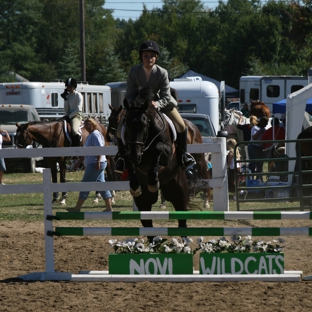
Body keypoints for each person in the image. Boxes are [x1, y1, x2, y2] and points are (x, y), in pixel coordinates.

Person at [114, 40, 196, 173]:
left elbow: (167, 96)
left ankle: (183, 155)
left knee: (181, 125)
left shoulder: (162, 72)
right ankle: (122, 158)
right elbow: (129, 94)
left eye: (152, 56)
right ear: (141, 57)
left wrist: (157, 104)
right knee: (119, 130)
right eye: (146, 55)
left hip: (160, 103)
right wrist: (136, 104)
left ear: (156, 58)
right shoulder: (134, 72)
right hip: (139, 105)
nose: (149, 59)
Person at [66, 118, 113, 212]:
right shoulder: (90, 135)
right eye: (85, 124)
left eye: (89, 124)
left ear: (93, 124)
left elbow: (99, 149)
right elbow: (87, 152)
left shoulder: (95, 134)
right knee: (101, 185)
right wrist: (78, 163)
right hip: (93, 163)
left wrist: (98, 162)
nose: (87, 126)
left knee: (85, 184)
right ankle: (109, 208)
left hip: (95, 163)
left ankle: (77, 207)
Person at [61, 78, 83, 146]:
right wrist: (65, 99)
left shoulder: (78, 95)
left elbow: (78, 108)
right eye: (68, 87)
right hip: (68, 115)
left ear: (74, 87)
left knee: (74, 130)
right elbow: (66, 110)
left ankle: (77, 146)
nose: (69, 88)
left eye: (70, 87)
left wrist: (70, 116)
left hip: (76, 115)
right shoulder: (68, 96)